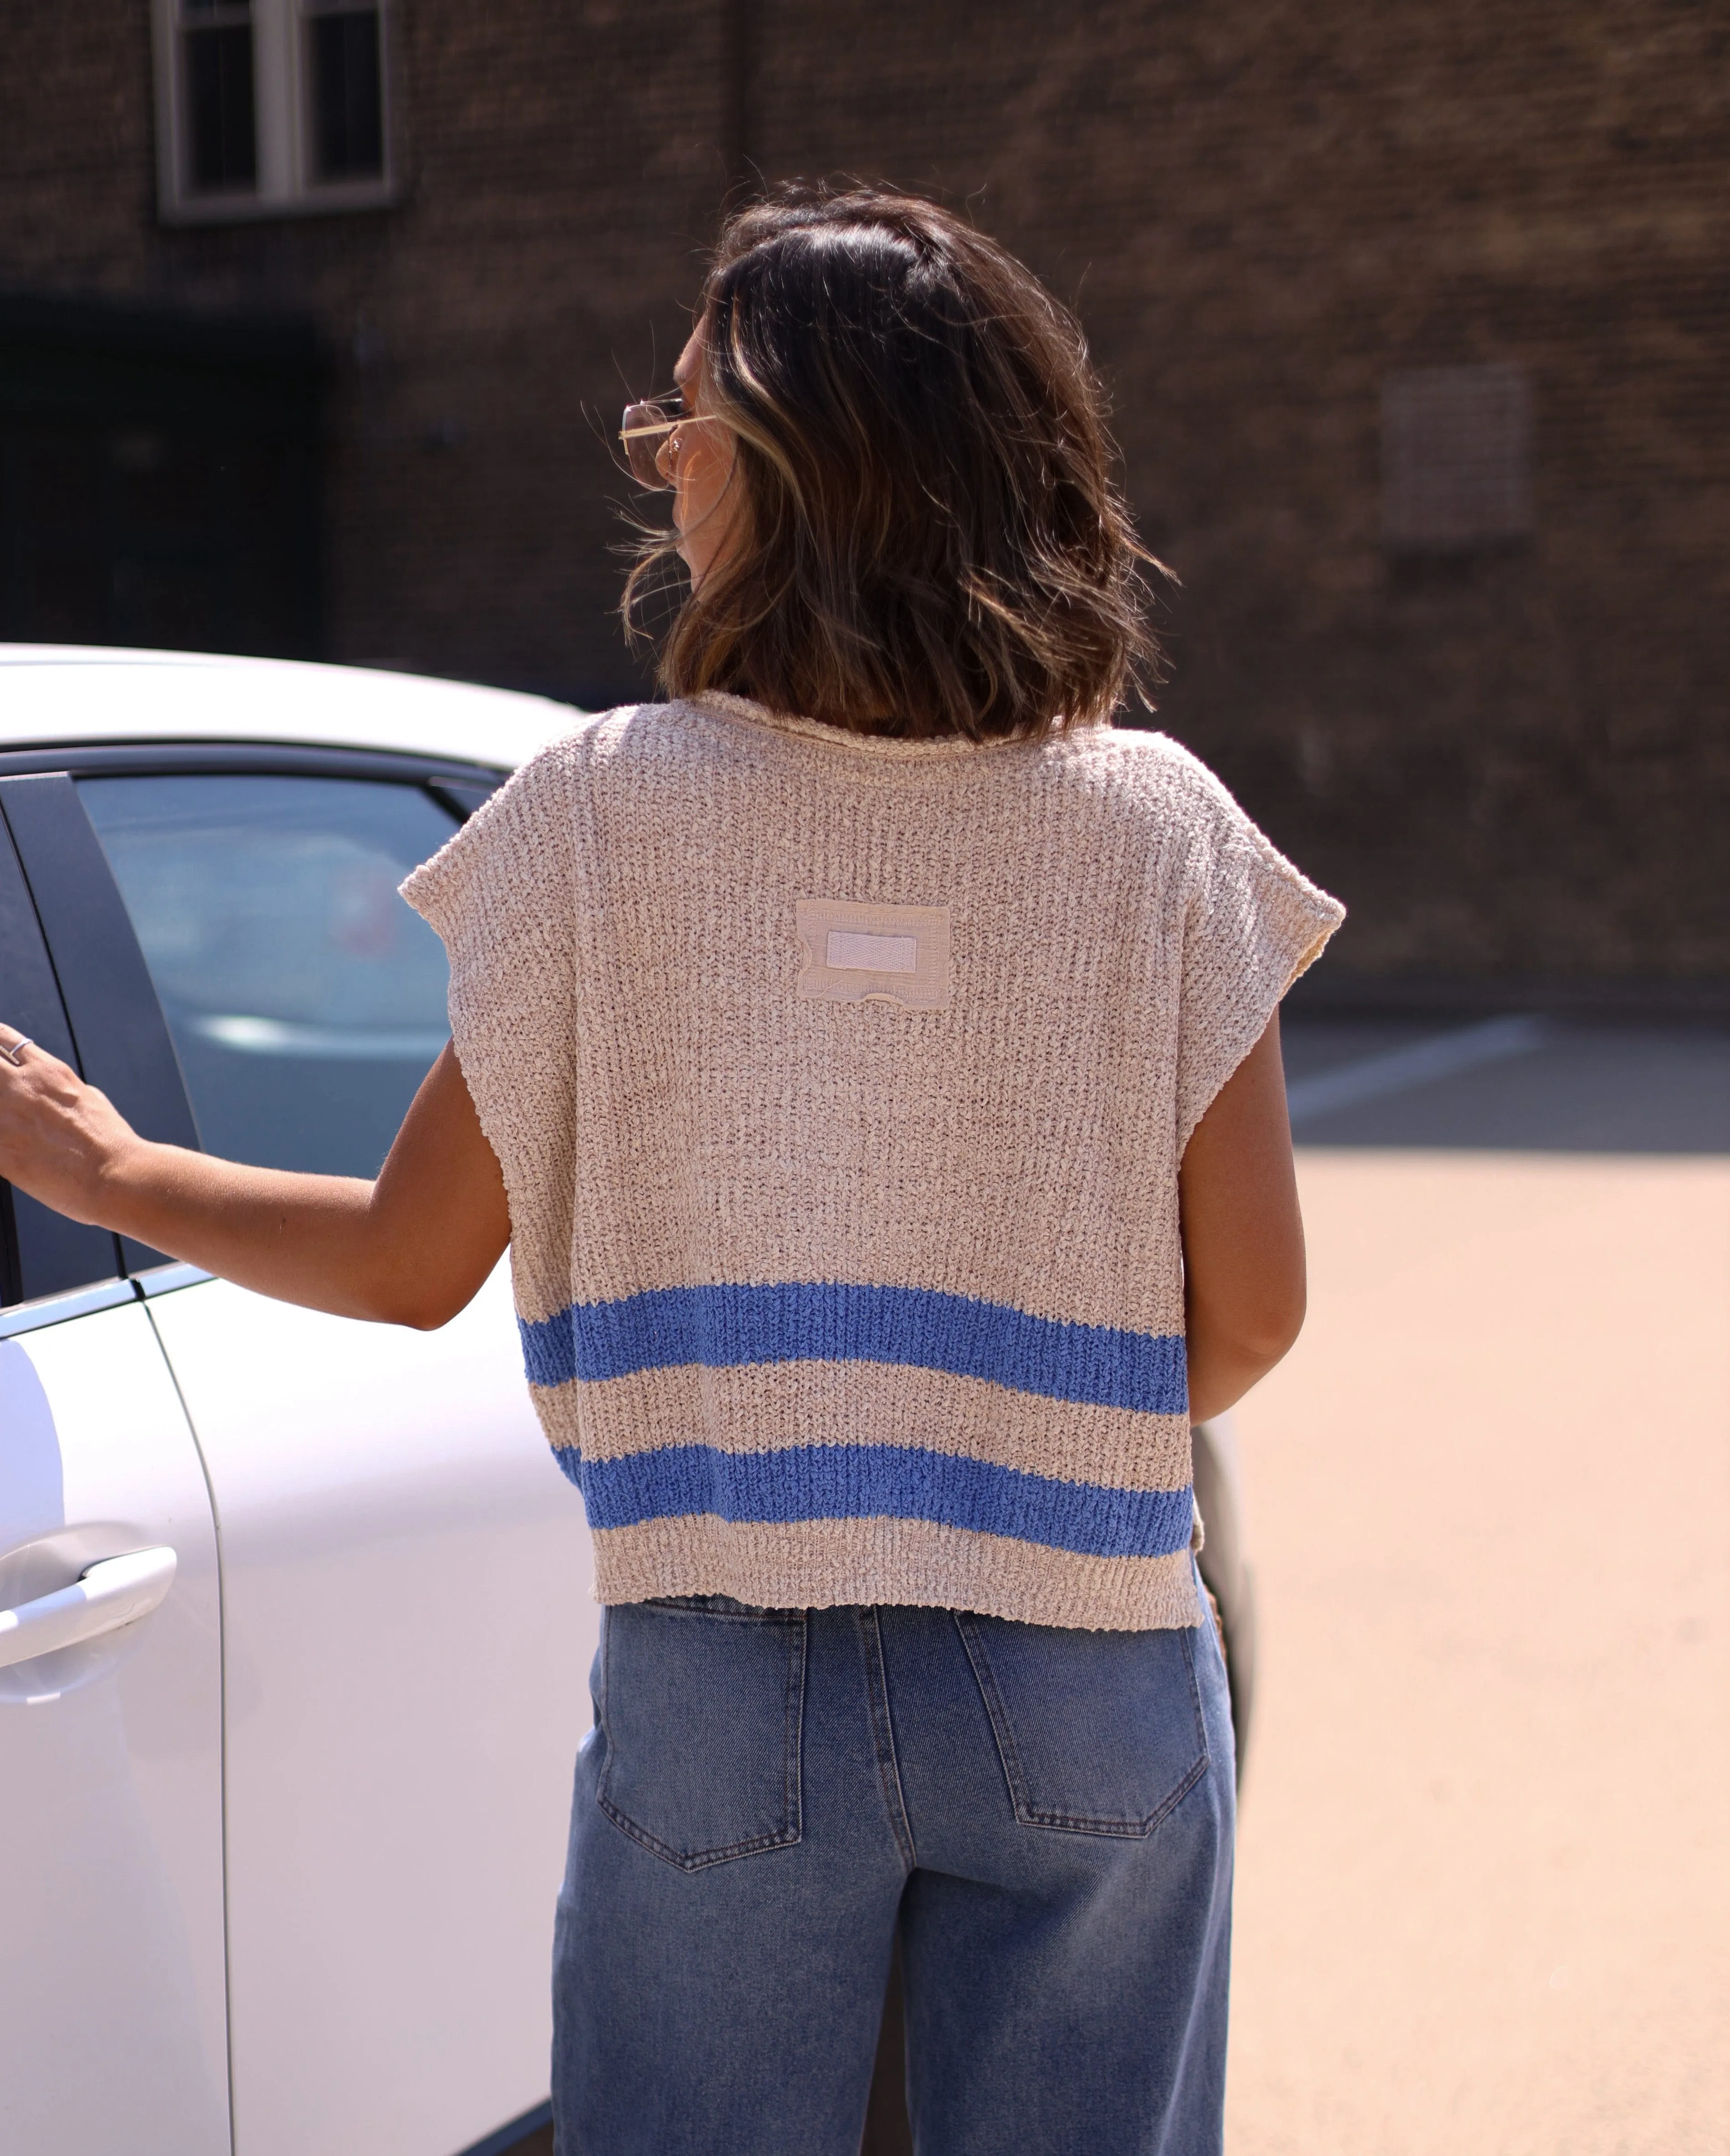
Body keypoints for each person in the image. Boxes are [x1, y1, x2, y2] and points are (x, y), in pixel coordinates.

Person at [0, 185, 1342, 2156]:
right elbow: (1256, 1313)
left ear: (799, 464)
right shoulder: (1156, 829)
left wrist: (112, 1174)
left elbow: (405, 1264)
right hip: (1091, 1680)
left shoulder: (597, 821)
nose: (666, 460)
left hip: (730, 1682)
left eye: (689, 416)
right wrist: (1003, 1456)